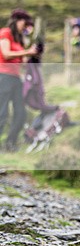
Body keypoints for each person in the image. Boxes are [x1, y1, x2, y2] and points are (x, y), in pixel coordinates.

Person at [0, 9, 39, 151]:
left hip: (16, 78)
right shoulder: (5, 33)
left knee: (21, 113)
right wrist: (26, 52)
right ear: (17, 20)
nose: (25, 26)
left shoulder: (19, 38)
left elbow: (20, 60)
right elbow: (6, 53)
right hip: (3, 76)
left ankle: (10, 143)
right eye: (24, 23)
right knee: (2, 113)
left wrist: (32, 55)